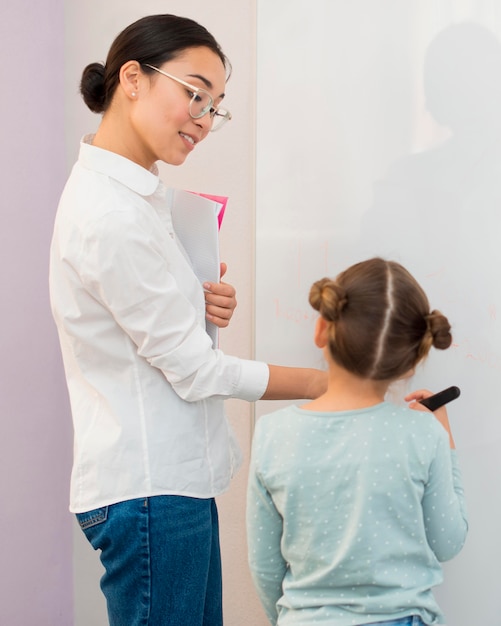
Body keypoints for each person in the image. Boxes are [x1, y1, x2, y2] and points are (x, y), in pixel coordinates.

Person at [49, 14, 326, 626]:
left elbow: (156, 337)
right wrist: (321, 385)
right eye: (195, 93)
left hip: (171, 486)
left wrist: (203, 307)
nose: (203, 119)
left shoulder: (143, 201)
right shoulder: (110, 215)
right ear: (133, 78)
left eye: (216, 106)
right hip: (150, 490)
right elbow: (195, 372)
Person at [246, 257, 468, 626]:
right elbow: (449, 541)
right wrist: (445, 440)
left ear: (321, 329)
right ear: (413, 361)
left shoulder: (273, 434)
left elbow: (265, 566)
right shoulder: (424, 434)